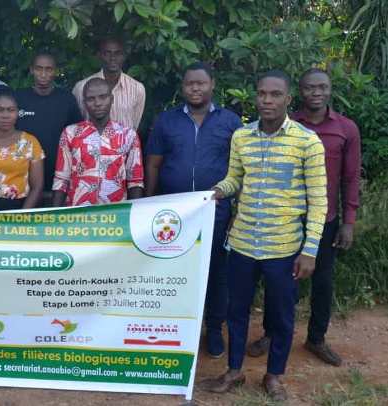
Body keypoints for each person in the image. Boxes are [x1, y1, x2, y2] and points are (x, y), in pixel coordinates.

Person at [201, 70, 327, 401]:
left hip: (284, 248)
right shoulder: (241, 137)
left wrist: (310, 250)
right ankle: (234, 371)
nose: (267, 100)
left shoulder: (307, 142)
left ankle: (274, 376)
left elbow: (319, 201)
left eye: (275, 94)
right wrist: (217, 190)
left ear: (288, 99)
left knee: (282, 316)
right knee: (236, 311)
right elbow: (234, 178)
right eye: (261, 94)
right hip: (242, 244)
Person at [247, 68, 361, 367]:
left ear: (330, 90)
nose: (316, 93)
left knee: (322, 281)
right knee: (279, 282)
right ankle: (271, 333)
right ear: (298, 92)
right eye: (310, 88)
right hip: (286, 219)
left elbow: (350, 177)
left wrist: (348, 221)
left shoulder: (346, 128)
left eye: (322, 87)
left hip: (325, 219)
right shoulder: (286, 125)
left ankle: (316, 338)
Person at [145, 62, 243, 358]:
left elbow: (242, 169)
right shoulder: (167, 121)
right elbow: (153, 164)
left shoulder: (230, 122)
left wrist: (238, 209)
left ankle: (213, 329)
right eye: (190, 83)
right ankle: (175, 328)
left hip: (215, 211)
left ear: (212, 84)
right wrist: (148, 204)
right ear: (183, 87)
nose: (195, 88)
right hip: (172, 215)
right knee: (173, 270)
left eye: (201, 83)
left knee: (216, 272)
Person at [53, 78, 143, 207]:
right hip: (77, 213)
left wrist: (135, 213)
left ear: (111, 99)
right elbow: (61, 179)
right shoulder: (70, 134)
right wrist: (55, 215)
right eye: (91, 99)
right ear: (84, 103)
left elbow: (135, 181)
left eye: (103, 97)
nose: (97, 103)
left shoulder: (128, 135)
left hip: (115, 213)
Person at [15, 51, 83, 204]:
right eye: (39, 68)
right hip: (23, 176)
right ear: (31, 69)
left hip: (58, 176)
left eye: (48, 69)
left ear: (55, 71)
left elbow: (78, 136)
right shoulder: (19, 98)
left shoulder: (66, 99)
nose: (43, 74)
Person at [72, 37, 145, 130]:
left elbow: (134, 124)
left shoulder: (137, 89)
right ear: (99, 56)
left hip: (124, 139)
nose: (113, 58)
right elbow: (78, 123)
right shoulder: (81, 87)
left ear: (124, 56)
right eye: (107, 53)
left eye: (118, 53)